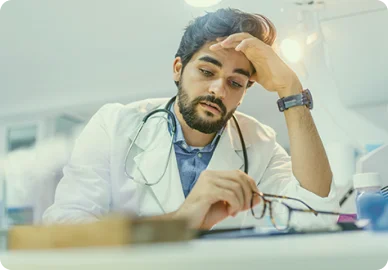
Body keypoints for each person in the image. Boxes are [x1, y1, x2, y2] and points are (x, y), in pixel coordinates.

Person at [43, 8, 338, 229]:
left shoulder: (260, 143)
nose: (218, 89)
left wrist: (291, 90)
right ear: (178, 69)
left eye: (235, 83)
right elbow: (64, 225)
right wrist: (182, 219)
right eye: (207, 72)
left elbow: (315, 214)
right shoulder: (114, 125)